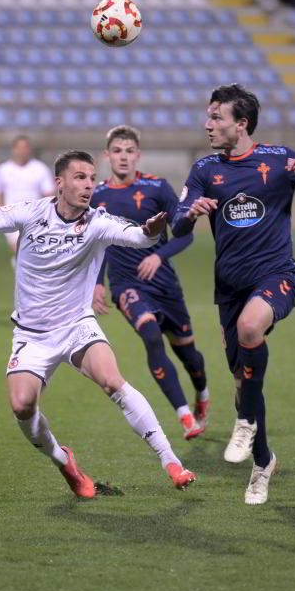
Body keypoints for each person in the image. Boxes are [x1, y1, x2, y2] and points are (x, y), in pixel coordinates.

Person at [0, 150, 196, 498]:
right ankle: (63, 461)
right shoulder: (31, 212)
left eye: (91, 178)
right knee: (22, 405)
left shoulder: (98, 221)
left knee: (112, 380)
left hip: (76, 326)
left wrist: (150, 233)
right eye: (80, 177)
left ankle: (171, 462)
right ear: (60, 183)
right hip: (32, 334)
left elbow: (138, 237)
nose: (88, 185)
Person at [171, 84, 295, 504]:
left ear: (241, 123)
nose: (207, 124)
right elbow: (178, 223)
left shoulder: (278, 160)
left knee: (252, 328)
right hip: (230, 287)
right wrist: (189, 214)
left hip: (276, 275)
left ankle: (245, 421)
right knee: (241, 379)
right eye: (208, 116)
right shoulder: (204, 170)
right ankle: (263, 462)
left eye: (216, 117)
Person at [91, 125, 211, 440]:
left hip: (165, 285)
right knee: (151, 336)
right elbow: (97, 243)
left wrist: (159, 256)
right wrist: (98, 283)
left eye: (129, 151)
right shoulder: (98, 196)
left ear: (138, 155)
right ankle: (185, 417)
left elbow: (184, 235)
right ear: (107, 156)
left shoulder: (157, 188)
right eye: (117, 151)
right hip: (126, 285)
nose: (123, 157)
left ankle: (202, 393)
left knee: (189, 356)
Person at [0, 136, 55, 262]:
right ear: (13, 149)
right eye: (19, 148)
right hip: (12, 218)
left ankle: (23, 271)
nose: (22, 151)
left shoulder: (40, 169)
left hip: (34, 218)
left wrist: (47, 214)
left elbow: (49, 194)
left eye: (25, 148)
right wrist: (1, 212)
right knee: (20, 249)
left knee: (30, 253)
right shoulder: (4, 169)